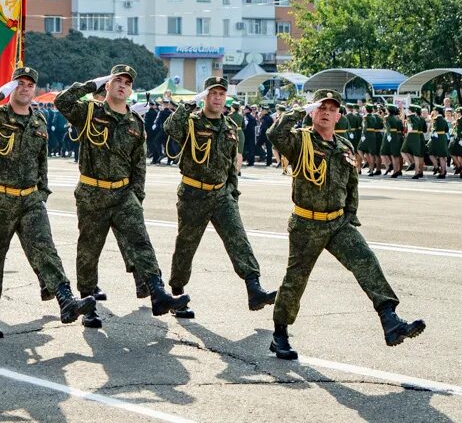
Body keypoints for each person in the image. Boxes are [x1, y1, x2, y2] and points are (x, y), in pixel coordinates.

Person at [264, 89, 425, 360]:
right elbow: (274, 134)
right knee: (295, 280)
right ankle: (280, 334)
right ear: (313, 112)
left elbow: (352, 185)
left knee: (366, 260)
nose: (326, 112)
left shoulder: (344, 147)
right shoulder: (299, 141)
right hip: (306, 222)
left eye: (331, 109)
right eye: (321, 108)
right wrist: (300, 110)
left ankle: (390, 319)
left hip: (338, 222)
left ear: (339, 116)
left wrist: (350, 215)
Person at [0, 67, 95, 338]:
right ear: (12, 88)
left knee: (46, 249)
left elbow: (41, 163)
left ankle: (65, 300)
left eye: (29, 84)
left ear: (34, 89)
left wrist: (42, 193)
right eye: (19, 83)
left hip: (30, 198)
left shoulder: (38, 122)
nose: (25, 88)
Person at [54, 65, 188, 328]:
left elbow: (139, 164)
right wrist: (93, 83)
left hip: (124, 193)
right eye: (117, 80)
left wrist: (137, 196)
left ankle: (157, 292)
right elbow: (63, 101)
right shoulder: (90, 112)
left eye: (127, 82)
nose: (123, 85)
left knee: (141, 241)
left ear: (131, 90)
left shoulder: (135, 122)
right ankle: (88, 299)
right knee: (90, 249)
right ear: (108, 85)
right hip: (93, 192)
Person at [161, 76, 276, 318]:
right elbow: (169, 128)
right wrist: (189, 105)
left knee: (239, 239)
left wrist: (233, 192)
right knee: (186, 245)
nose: (217, 97)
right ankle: (177, 292)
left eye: (221, 94)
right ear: (205, 96)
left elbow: (231, 165)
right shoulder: (191, 122)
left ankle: (254, 288)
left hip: (222, 194)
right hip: (194, 193)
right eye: (212, 93)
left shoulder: (230, 128)